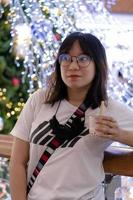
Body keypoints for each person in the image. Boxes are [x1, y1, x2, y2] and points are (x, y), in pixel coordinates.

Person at [9, 32, 133, 200]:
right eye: (66, 58)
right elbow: (17, 162)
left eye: (83, 59)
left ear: (98, 64)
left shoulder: (109, 109)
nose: (73, 66)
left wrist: (119, 134)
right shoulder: (39, 100)